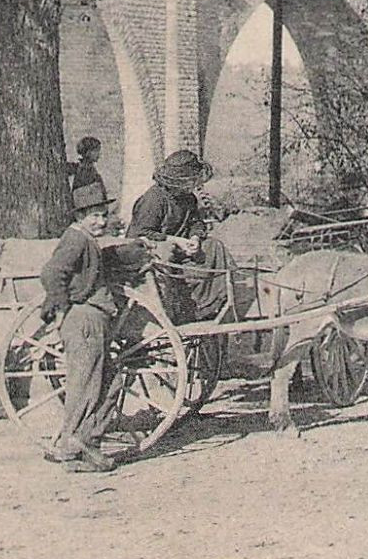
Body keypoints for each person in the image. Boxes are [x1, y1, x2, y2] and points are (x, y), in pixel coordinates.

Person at [38, 184, 122, 473]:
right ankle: (71, 448)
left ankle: (87, 443)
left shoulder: (86, 238)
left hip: (94, 319)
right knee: (86, 385)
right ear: (81, 215)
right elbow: (52, 272)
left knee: (111, 383)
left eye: (104, 215)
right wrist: (61, 307)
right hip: (84, 320)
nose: (102, 221)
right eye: (96, 216)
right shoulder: (76, 239)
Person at [128, 150, 233, 323]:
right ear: (178, 181)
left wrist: (195, 238)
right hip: (156, 255)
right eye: (191, 181)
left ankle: (209, 304)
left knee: (214, 246)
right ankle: (188, 310)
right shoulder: (154, 199)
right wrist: (176, 241)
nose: (194, 185)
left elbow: (196, 222)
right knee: (173, 260)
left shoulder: (188, 198)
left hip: (181, 251)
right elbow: (140, 234)